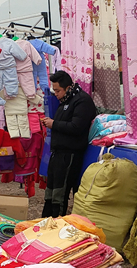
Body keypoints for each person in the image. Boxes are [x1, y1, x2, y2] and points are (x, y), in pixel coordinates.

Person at [41, 70, 96, 217]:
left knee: (60, 193)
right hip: (57, 153)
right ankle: (46, 221)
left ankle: (57, 222)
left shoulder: (82, 101)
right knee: (50, 192)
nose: (56, 94)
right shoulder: (65, 100)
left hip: (70, 154)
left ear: (67, 87)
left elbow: (77, 127)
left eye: (58, 91)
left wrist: (54, 124)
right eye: (54, 91)